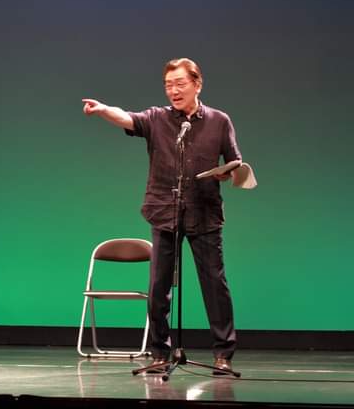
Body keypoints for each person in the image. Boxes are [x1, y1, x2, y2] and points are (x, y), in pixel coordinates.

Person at [82, 58, 240, 374]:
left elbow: (235, 162)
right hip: (164, 209)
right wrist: (103, 110)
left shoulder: (219, 121)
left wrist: (228, 173)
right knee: (158, 286)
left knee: (214, 284)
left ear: (197, 84)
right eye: (169, 85)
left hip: (205, 213)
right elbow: (127, 118)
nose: (174, 91)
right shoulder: (157, 118)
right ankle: (159, 353)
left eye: (180, 83)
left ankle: (222, 354)